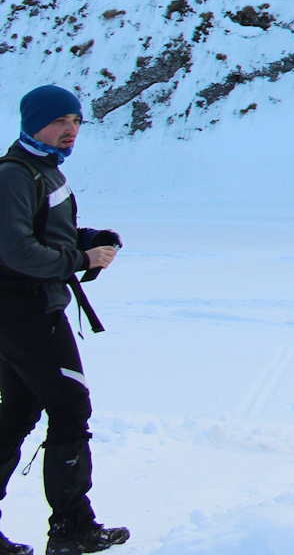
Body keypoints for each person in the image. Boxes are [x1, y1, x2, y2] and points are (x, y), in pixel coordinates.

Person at [0, 86, 129, 555]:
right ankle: (73, 530)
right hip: (27, 311)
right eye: (59, 122)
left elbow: (44, 233)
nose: (70, 130)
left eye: (76, 121)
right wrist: (80, 256)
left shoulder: (45, 172)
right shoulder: (16, 175)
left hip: (29, 309)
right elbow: (15, 250)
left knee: (16, 415)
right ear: (33, 123)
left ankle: (71, 527)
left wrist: (91, 238)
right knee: (71, 409)